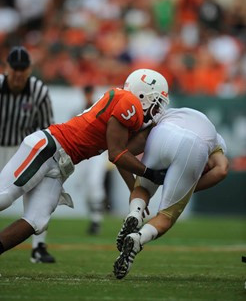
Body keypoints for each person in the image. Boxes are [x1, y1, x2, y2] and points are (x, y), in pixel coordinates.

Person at [0, 68, 169, 257]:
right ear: (142, 94)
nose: (157, 109)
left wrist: (134, 190)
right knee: (4, 196)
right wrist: (149, 173)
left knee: (37, 221)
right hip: (49, 147)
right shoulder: (129, 102)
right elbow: (116, 154)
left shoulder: (129, 109)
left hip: (60, 163)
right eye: (157, 101)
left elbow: (122, 156)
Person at [113, 106, 229, 279]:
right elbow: (221, 170)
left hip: (162, 131)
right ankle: (138, 239)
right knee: (167, 215)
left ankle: (135, 213)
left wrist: (134, 188)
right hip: (194, 146)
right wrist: (190, 189)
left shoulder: (170, 112)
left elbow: (122, 154)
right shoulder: (217, 142)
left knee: (143, 187)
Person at [0, 46, 56, 263]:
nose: (18, 74)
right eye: (15, 69)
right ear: (7, 68)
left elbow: (46, 128)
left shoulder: (39, 91)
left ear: (30, 70)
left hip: (23, 150)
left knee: (39, 193)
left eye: (23, 69)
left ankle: (39, 247)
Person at [76, 85, 110, 235]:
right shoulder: (79, 110)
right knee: (86, 186)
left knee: (95, 183)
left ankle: (97, 219)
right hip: (84, 153)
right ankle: (94, 217)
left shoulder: (99, 109)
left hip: (97, 152)